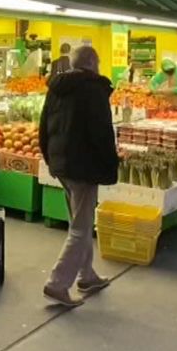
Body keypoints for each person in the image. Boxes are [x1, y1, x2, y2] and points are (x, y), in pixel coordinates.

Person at [38, 46, 118, 307]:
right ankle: (58, 283)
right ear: (93, 63)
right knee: (81, 228)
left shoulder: (57, 88)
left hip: (62, 164)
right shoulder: (93, 90)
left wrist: (51, 160)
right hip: (83, 167)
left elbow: (43, 127)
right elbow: (102, 133)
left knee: (78, 222)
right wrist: (109, 165)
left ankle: (87, 275)